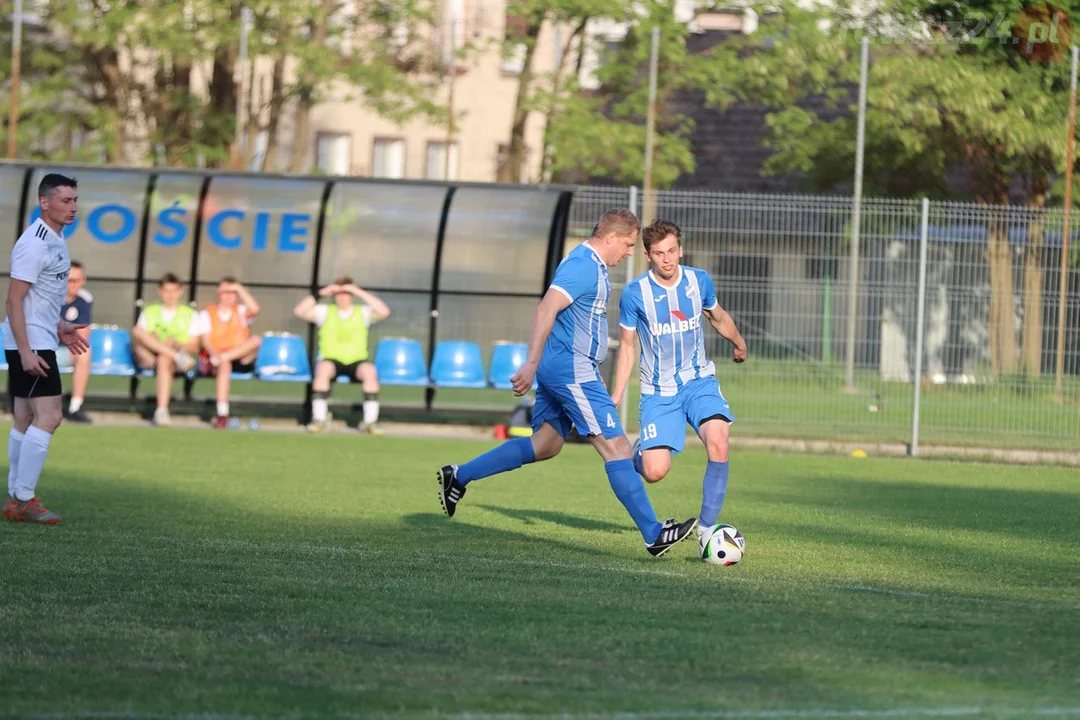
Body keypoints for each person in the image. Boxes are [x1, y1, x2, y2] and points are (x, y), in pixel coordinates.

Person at [436, 209, 699, 558]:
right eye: (628, 244)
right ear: (610, 238)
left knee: (546, 445)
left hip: (563, 367)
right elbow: (546, 308)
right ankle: (654, 534)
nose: (631, 252)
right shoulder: (583, 266)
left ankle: (460, 475)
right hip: (572, 370)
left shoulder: (591, 265)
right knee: (617, 448)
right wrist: (530, 363)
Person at [610, 220, 747, 549]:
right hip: (659, 392)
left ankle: (707, 531)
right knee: (655, 472)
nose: (667, 259)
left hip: (699, 381)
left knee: (719, 442)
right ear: (647, 255)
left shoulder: (698, 281)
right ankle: (639, 451)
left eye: (672, 251)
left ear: (680, 250)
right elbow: (628, 347)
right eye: (659, 253)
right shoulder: (635, 294)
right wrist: (616, 394)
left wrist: (739, 342)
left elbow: (717, 316)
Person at [1, 173, 90, 525]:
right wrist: (25, 351)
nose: (72, 207)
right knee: (50, 417)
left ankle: (15, 497)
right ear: (44, 202)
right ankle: (24, 498)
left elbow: (40, 298)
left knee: (25, 417)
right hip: (31, 342)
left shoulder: (56, 238)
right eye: (65, 201)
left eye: (75, 201)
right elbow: (14, 300)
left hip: (39, 336)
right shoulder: (34, 242)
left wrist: (60, 326)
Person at [293, 277, 391, 435]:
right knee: (322, 370)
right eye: (338, 293)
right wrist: (322, 293)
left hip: (356, 360)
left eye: (346, 293)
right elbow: (299, 311)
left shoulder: (362, 312)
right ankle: (319, 419)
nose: (342, 297)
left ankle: (370, 422)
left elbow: (384, 311)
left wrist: (358, 291)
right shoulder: (325, 312)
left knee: (370, 372)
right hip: (331, 359)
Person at [131, 272, 201, 427]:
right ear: (160, 291)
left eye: (174, 291)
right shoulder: (149, 311)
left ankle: (161, 410)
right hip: (149, 356)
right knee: (137, 331)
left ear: (180, 292)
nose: (170, 295)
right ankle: (175, 356)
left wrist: (176, 343)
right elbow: (139, 336)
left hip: (173, 359)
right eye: (166, 291)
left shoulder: (190, 314)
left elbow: (195, 347)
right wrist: (155, 341)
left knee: (164, 358)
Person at [197, 277, 262, 429]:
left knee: (257, 340)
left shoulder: (240, 311)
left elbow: (255, 309)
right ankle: (222, 414)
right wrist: (215, 355)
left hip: (239, 356)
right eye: (225, 292)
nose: (228, 296)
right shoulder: (207, 313)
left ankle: (221, 359)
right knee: (224, 366)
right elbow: (205, 340)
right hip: (217, 357)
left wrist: (239, 288)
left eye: (232, 293)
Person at [59, 260, 93, 423]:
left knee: (84, 351)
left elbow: (83, 335)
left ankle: (76, 407)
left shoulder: (84, 299)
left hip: (64, 350)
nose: (73, 285)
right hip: (43, 348)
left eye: (77, 280)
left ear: (83, 281)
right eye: (69, 280)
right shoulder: (46, 296)